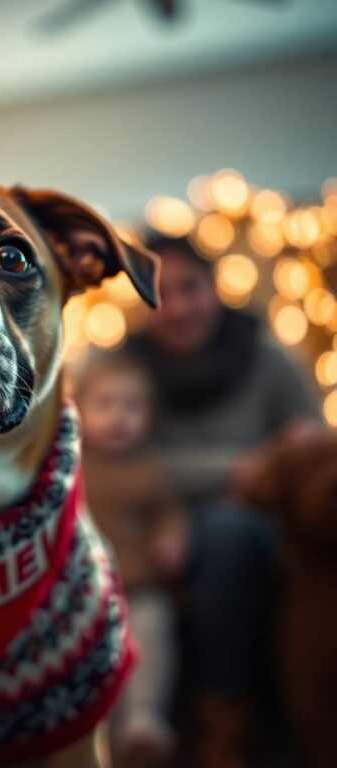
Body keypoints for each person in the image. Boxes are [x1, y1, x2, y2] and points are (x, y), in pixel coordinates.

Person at [125, 235, 321, 767]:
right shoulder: (121, 367)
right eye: (161, 292)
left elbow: (314, 454)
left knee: (230, 534)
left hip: (256, 529)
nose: (179, 307)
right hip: (146, 531)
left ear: (215, 289)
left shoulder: (269, 358)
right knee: (222, 533)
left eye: (191, 287)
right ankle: (220, 728)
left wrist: (264, 475)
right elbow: (120, 464)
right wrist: (240, 467)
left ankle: (231, 726)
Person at [67, 352, 185, 768]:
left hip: (138, 587)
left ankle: (144, 721)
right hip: (81, 593)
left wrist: (172, 539)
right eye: (105, 405)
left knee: (151, 634)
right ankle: (95, 734)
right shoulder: (71, 463)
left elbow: (169, 513)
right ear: (76, 409)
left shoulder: (150, 469)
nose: (119, 417)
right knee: (86, 659)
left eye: (132, 406)